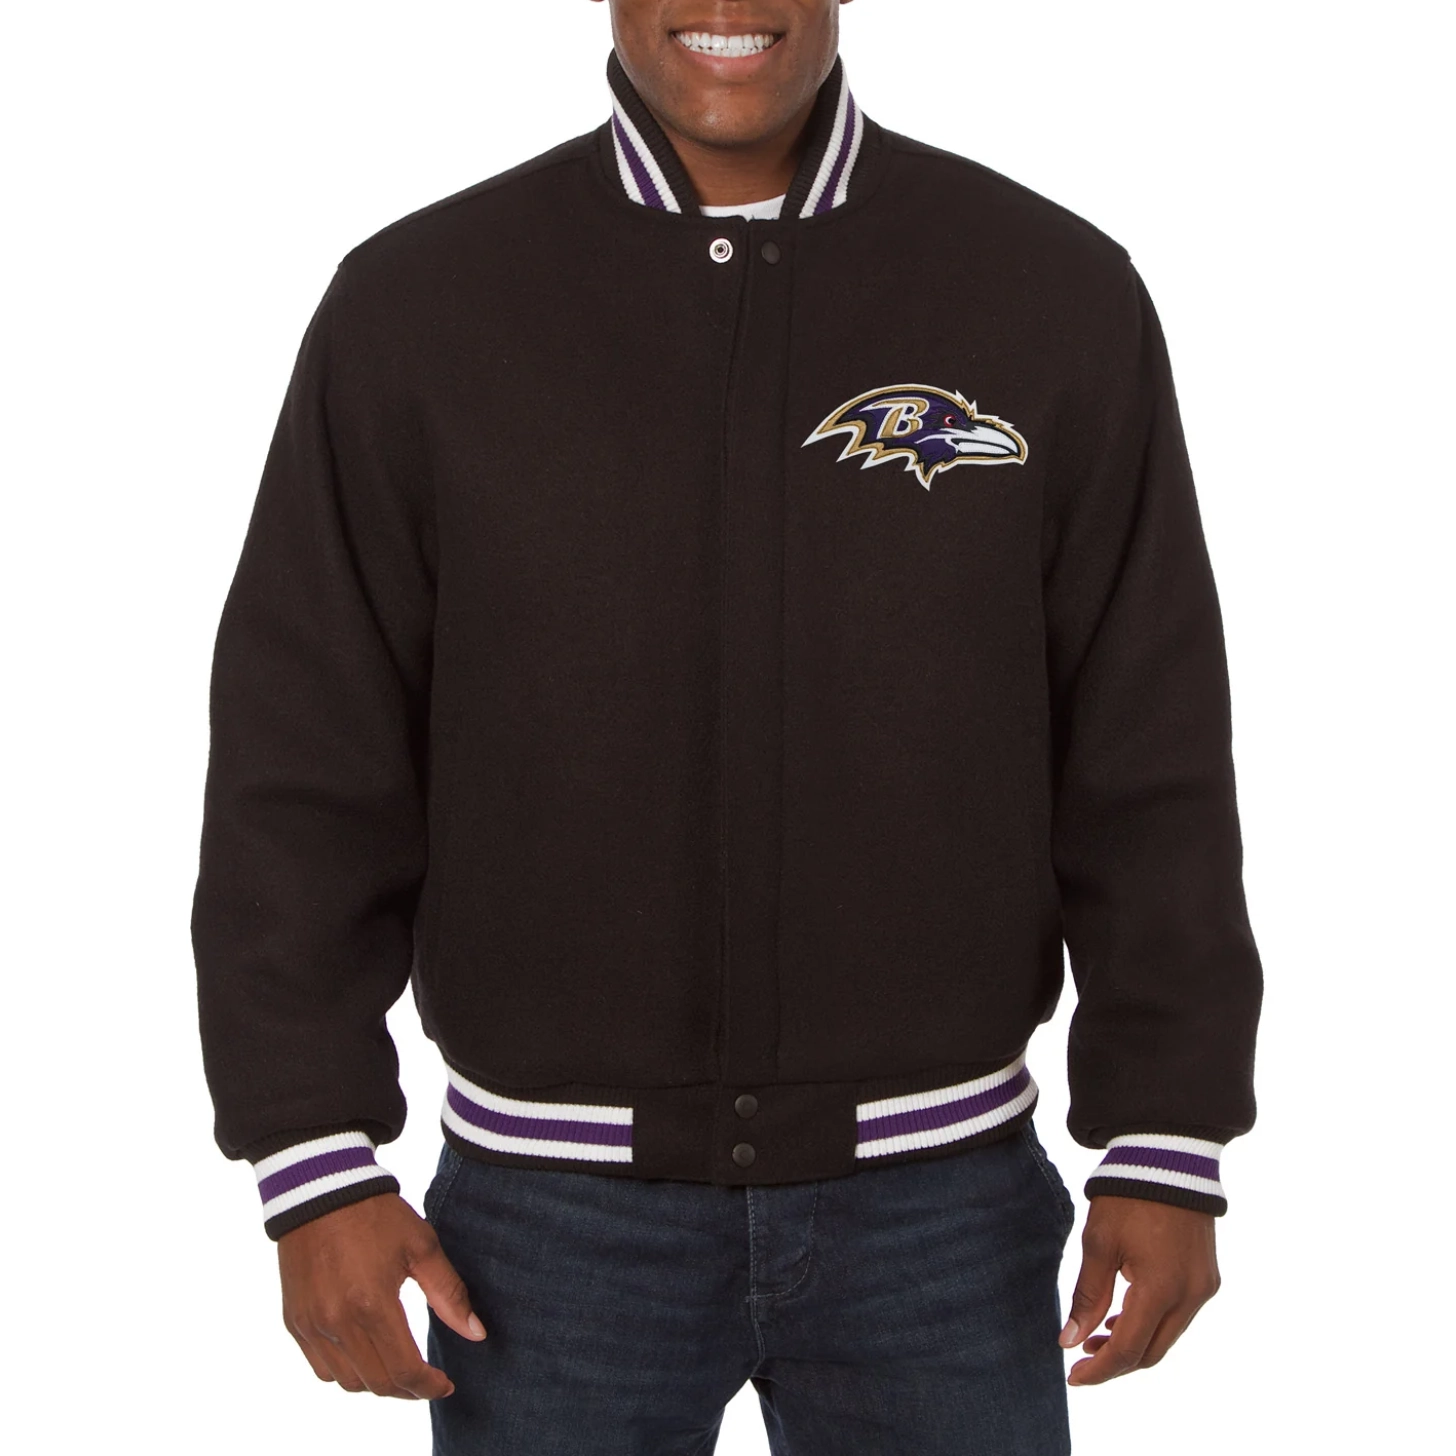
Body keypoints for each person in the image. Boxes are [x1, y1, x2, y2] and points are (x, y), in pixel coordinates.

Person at [192, 2, 1263, 1451]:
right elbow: (304, 756)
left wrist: (1167, 1133)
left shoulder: (1050, 288)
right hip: (545, 1231)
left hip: (942, 1213)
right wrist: (313, 1155)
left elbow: (1149, 746)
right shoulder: (418, 303)